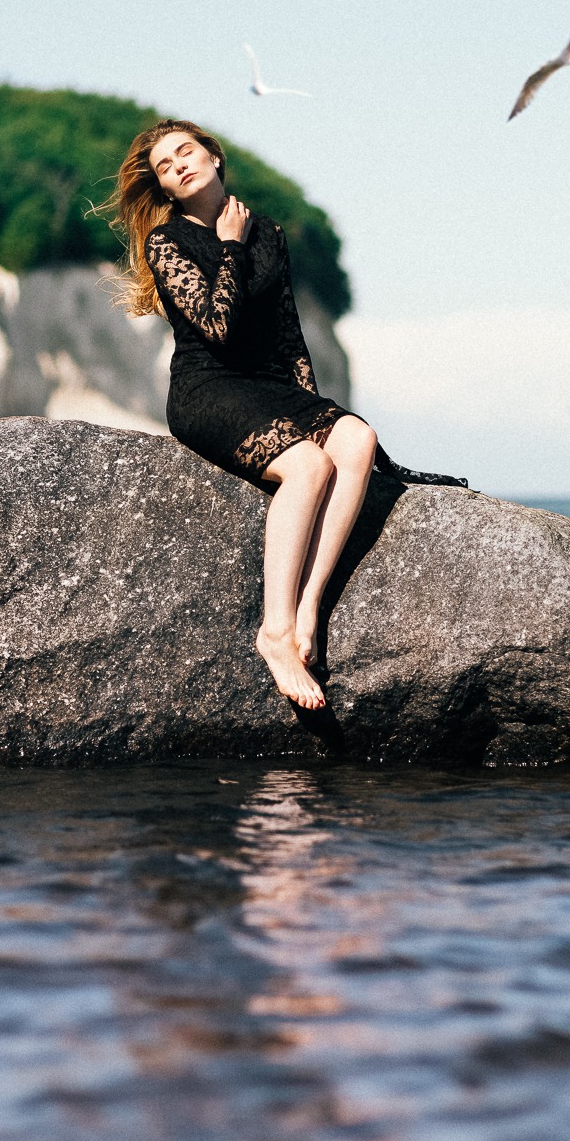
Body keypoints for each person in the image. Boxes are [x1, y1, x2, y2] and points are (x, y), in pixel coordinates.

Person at [99, 118, 462, 712]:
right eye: (165, 167)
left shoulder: (269, 232)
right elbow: (219, 325)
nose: (179, 167)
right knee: (309, 469)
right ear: (163, 189)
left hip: (268, 386)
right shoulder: (167, 241)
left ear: (213, 156)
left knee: (355, 439)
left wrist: (315, 409)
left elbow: (288, 335)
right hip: (207, 388)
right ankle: (273, 632)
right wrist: (230, 245)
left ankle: (308, 608)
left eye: (185, 153)